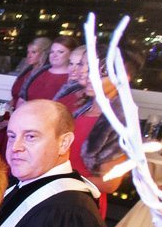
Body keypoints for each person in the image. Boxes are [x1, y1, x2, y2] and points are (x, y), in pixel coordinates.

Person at [53, 45, 131, 217]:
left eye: (100, 73)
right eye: (84, 67)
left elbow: (109, 183)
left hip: (77, 206)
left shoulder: (117, 122)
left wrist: (57, 181)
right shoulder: (83, 109)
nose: (86, 76)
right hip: (55, 197)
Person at [15, 36, 78, 104]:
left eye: (60, 52)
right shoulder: (38, 73)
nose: (54, 55)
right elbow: (21, 99)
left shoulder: (73, 79)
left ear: (71, 54)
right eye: (52, 52)